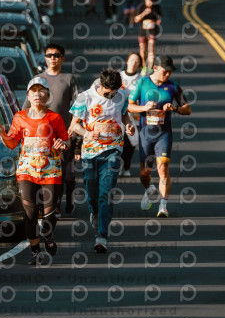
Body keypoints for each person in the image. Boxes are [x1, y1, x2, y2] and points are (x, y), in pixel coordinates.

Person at [0, 77, 69, 264]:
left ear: (47, 95)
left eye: (41, 90)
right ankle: (36, 252)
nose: (37, 94)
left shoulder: (55, 118)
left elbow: (66, 140)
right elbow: (12, 143)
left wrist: (62, 144)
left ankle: (48, 235)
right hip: (27, 170)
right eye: (33, 91)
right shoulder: (20, 117)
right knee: (30, 213)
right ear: (28, 95)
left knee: (49, 215)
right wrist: (2, 134)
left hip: (51, 170)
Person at [69, 69, 135, 253]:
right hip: (90, 152)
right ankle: (95, 212)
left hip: (113, 149)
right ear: (101, 86)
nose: (111, 96)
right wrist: (87, 133)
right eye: (108, 93)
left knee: (106, 192)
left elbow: (124, 115)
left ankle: (101, 236)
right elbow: (74, 125)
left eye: (114, 93)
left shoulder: (122, 96)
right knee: (92, 192)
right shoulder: (85, 97)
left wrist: (128, 125)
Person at [127, 55, 191, 218]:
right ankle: (149, 189)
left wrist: (175, 108)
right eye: (165, 71)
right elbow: (129, 106)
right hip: (145, 134)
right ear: (155, 68)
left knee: (163, 168)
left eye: (170, 72)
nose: (168, 74)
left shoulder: (173, 86)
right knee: (145, 173)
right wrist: (144, 108)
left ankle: (163, 206)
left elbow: (187, 109)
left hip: (164, 134)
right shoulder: (142, 83)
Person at [23, 43, 80, 216]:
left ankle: (68, 198)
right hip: (40, 136)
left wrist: (74, 128)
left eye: (56, 55)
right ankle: (53, 207)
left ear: (62, 58)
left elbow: (78, 106)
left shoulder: (69, 79)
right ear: (45, 58)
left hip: (64, 134)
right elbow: (25, 108)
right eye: (49, 55)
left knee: (66, 173)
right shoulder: (37, 79)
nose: (52, 58)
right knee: (46, 171)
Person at [119, 52, 142, 176]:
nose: (134, 63)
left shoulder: (141, 79)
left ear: (139, 64)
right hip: (118, 114)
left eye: (137, 61)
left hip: (135, 116)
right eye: (132, 60)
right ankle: (118, 165)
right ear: (127, 61)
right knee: (119, 141)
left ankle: (126, 166)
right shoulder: (119, 76)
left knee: (131, 142)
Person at [133, 0, 161, 71]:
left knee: (151, 49)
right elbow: (136, 19)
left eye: (153, 1)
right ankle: (143, 67)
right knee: (142, 50)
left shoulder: (156, 6)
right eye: (149, 0)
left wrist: (158, 20)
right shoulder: (141, 6)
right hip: (143, 31)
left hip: (152, 30)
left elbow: (159, 16)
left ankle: (150, 68)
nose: (151, 3)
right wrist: (144, 13)